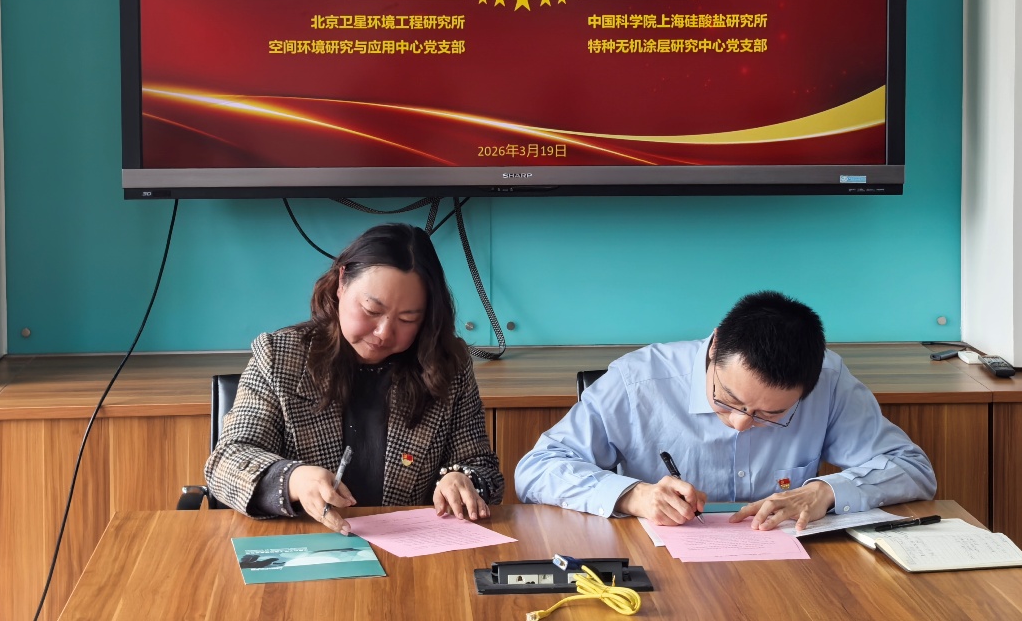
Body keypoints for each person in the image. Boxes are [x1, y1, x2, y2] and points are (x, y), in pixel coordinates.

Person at [514, 291, 935, 530]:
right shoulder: (638, 381)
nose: (741, 423)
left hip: (787, 569)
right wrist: (632, 495)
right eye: (728, 400)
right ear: (714, 348)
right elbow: (536, 469)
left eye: (771, 415)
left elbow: (911, 468)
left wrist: (825, 491)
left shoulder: (829, 380)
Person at [205, 222, 503, 533]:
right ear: (341, 283)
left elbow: (484, 469)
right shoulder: (280, 356)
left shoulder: (447, 365)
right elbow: (226, 462)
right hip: (307, 542)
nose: (384, 332)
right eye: (372, 309)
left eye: (407, 319)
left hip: (411, 545)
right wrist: (293, 479)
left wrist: (463, 480)